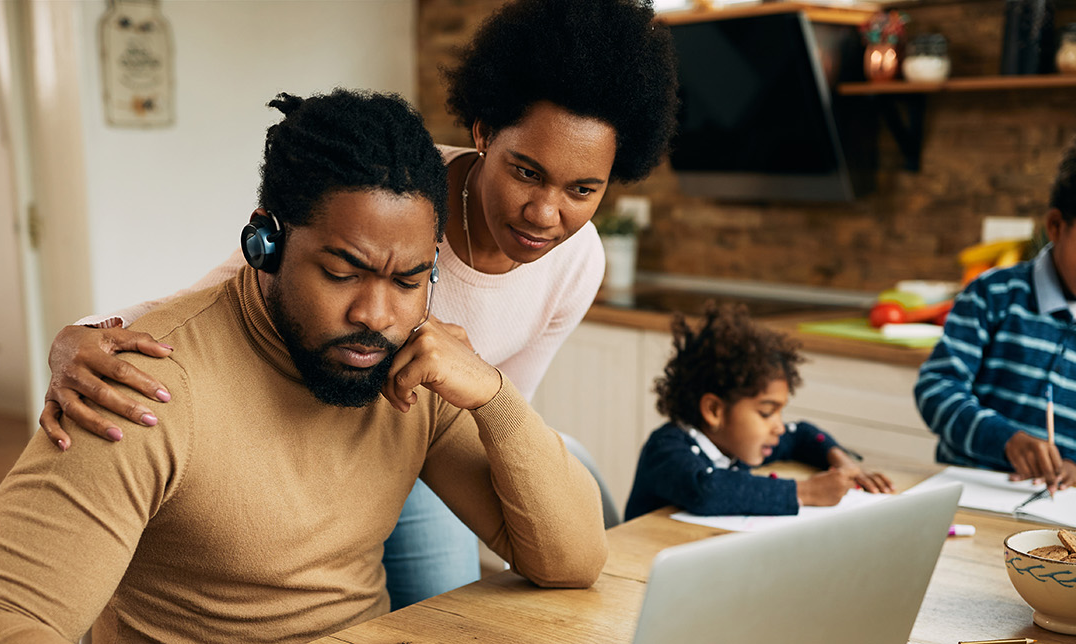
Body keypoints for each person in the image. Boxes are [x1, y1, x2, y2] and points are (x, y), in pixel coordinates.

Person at [36, 0, 679, 609]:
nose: (545, 213)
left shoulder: (578, 260)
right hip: (340, 431)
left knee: (454, 599)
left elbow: (508, 399)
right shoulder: (396, 199)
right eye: (525, 172)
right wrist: (83, 334)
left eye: (582, 189)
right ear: (484, 132)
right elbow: (225, 292)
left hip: (427, 434)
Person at [0, 89, 607, 643]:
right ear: (264, 241)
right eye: (343, 272)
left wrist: (492, 394)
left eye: (409, 281)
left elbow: (574, 561)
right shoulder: (141, 384)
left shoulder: (411, 368)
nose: (377, 313)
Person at [915, 125, 1076, 492]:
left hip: (1062, 505)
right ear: (1056, 225)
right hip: (969, 492)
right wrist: (1005, 439)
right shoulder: (993, 294)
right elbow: (937, 389)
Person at [624, 303, 894, 522]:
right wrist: (806, 491)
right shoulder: (666, 449)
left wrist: (842, 462)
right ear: (714, 410)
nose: (778, 427)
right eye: (766, 413)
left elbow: (801, 434)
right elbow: (706, 490)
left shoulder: (736, 442)